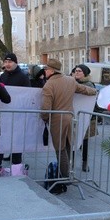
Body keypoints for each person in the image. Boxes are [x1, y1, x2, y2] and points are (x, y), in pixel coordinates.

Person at [40, 59, 97, 194]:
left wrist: (44, 118)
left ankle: (65, 177)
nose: (45, 71)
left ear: (52, 71)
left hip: (57, 120)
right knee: (68, 147)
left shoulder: (49, 85)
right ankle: (67, 173)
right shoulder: (70, 81)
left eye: (46, 69)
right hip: (70, 117)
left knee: (60, 150)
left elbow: (45, 108)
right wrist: (95, 92)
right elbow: (85, 90)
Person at [0, 52, 31, 171]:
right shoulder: (2, 76)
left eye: (10, 62)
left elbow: (27, 94)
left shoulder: (23, 77)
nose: (7, 64)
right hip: (4, 113)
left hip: (17, 113)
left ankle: (17, 165)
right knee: (1, 138)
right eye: (5, 62)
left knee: (16, 139)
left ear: (15, 63)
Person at [73, 64, 98, 172]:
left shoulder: (89, 85)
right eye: (76, 71)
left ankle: (84, 162)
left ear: (85, 73)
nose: (77, 72)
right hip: (74, 115)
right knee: (73, 140)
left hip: (86, 116)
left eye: (79, 71)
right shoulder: (72, 82)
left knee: (85, 141)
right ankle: (71, 163)